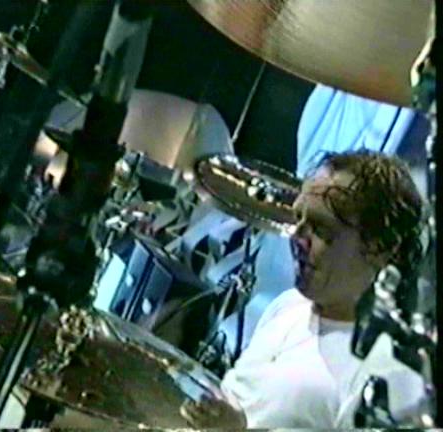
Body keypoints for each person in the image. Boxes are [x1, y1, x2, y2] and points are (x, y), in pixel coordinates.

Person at [180, 149, 424, 428]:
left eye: (321, 229)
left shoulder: (388, 376)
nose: (296, 236)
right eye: (298, 219)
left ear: (380, 249)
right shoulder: (288, 304)